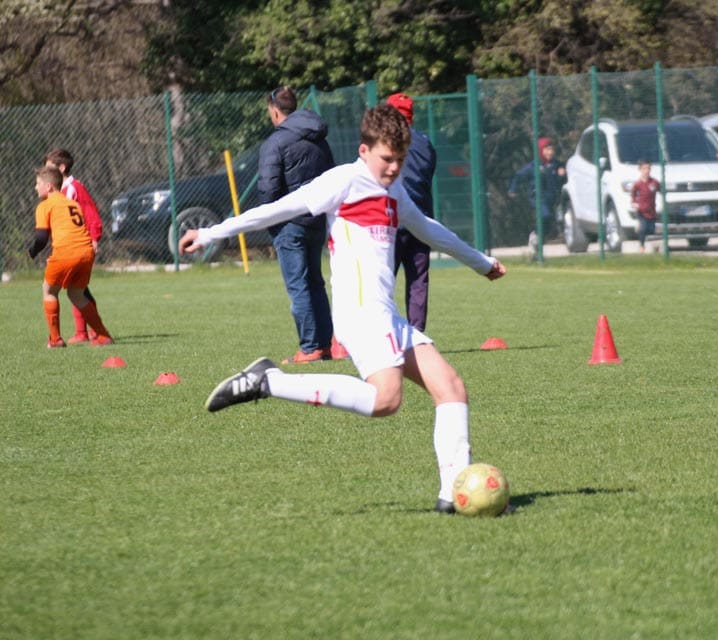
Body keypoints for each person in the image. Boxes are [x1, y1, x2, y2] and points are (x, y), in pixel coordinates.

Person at [179, 105, 507, 514]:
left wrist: (481, 262)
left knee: (451, 387)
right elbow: (278, 208)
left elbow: (428, 228)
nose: (394, 168)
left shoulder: (393, 190)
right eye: (387, 158)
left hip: (386, 314)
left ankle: (451, 496)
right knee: (386, 400)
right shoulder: (344, 181)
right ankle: (268, 382)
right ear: (364, 150)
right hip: (362, 312)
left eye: (400, 159)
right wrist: (211, 232)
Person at [259, 86, 337, 364]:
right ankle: (324, 345)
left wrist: (269, 217)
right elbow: (332, 177)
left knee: (298, 285)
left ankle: (309, 347)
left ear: (274, 110)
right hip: (316, 219)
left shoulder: (276, 142)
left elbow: (268, 189)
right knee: (315, 282)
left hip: (289, 223)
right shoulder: (319, 138)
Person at [27, 167, 113, 348]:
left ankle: (55, 339)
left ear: (49, 186)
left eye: (38, 183)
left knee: (49, 291)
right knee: (76, 294)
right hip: (86, 252)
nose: (35, 187)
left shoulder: (45, 205)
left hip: (66, 252)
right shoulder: (72, 204)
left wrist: (32, 252)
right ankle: (103, 335)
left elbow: (41, 238)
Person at [386, 92, 437, 331]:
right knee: (418, 280)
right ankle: (417, 334)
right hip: (421, 219)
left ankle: (383, 331)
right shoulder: (425, 143)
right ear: (411, 117)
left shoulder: (384, 142)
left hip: (391, 218)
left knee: (383, 278)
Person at [44, 148, 104, 344]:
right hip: (68, 248)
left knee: (78, 289)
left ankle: (89, 332)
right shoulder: (57, 192)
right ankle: (87, 332)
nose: (45, 172)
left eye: (49, 167)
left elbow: (91, 214)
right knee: (77, 289)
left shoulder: (74, 188)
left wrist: (94, 238)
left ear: (61, 168)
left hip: (81, 245)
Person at [508, 137, 566, 250]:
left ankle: (539, 239)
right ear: (540, 150)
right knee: (545, 215)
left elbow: (562, 182)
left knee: (551, 221)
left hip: (552, 198)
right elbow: (518, 176)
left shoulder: (557, 165)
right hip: (538, 197)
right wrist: (513, 189)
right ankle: (535, 234)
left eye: (552, 149)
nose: (550, 152)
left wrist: (562, 175)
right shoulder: (533, 166)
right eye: (547, 149)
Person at [629, 160, 659, 253]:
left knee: (651, 229)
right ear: (640, 170)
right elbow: (633, 194)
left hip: (651, 210)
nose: (647, 171)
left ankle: (654, 246)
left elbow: (661, 189)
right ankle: (642, 246)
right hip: (642, 211)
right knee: (643, 228)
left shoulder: (654, 182)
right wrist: (634, 202)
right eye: (644, 168)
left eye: (648, 168)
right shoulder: (638, 183)